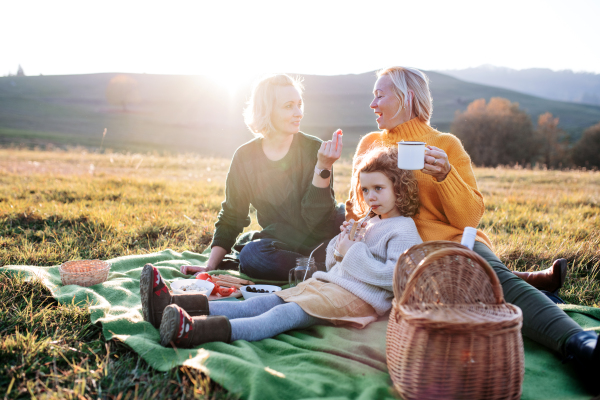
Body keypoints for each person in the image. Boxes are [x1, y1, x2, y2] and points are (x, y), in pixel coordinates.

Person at [344, 66, 599, 394]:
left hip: (448, 242)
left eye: (380, 94)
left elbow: (469, 218)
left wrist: (446, 175)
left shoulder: (445, 144)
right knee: (473, 292)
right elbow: (356, 206)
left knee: (484, 275)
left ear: (407, 98)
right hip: (397, 251)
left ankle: (580, 344)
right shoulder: (369, 143)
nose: (372, 102)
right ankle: (529, 281)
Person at [147, 146, 422, 347]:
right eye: (365, 190)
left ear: (399, 188)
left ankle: (195, 331)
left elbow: (397, 278)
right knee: (267, 301)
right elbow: (334, 262)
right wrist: (339, 246)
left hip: (358, 301)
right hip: (329, 285)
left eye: (379, 188)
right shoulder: (369, 221)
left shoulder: (403, 229)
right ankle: (171, 305)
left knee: (283, 313)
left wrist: (353, 251)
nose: (370, 197)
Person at [183, 74, 345, 281]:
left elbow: (317, 221)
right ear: (267, 111)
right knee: (251, 255)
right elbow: (232, 215)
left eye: (299, 104)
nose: (298, 113)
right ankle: (321, 270)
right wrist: (210, 265)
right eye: (288, 106)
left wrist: (323, 166)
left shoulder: (314, 149)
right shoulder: (244, 157)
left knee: (251, 255)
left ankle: (320, 267)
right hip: (281, 243)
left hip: (321, 241)